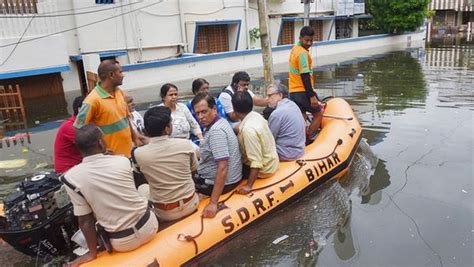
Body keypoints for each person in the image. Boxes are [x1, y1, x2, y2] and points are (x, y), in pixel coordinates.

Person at [63, 125, 158, 266]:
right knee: (144, 189)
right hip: (149, 228)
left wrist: (92, 253)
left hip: (121, 242)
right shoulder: (123, 161)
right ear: (101, 143)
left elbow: (85, 221)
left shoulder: (70, 178)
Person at [132, 106, 199, 222]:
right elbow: (193, 170)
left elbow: (140, 175)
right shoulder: (185, 144)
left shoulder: (137, 153)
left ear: (146, 130)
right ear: (167, 129)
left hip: (165, 213)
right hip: (191, 203)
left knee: (142, 188)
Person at [74, 60, 146, 158]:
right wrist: (98, 151)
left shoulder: (119, 92)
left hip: (128, 153)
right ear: (111, 75)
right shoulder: (92, 101)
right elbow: (78, 129)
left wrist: (135, 136)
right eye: (120, 72)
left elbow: (126, 118)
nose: (123, 75)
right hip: (111, 158)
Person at [191, 93, 242, 218]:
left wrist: (213, 202)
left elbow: (222, 167)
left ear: (214, 109)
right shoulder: (221, 122)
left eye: (204, 112)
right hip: (230, 178)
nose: (200, 117)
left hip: (220, 183)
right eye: (197, 113)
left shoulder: (216, 132)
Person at [231, 91, 279, 194]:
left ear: (234, 109)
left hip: (264, 169)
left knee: (228, 168)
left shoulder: (248, 131)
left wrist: (248, 186)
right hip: (271, 160)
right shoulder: (256, 115)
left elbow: (256, 162)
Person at [288, 26, 323, 143]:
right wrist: (312, 96)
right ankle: (308, 137)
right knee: (318, 113)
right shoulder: (302, 53)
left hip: (293, 91)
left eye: (311, 41)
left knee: (302, 116)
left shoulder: (295, 49)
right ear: (300, 38)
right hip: (302, 91)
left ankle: (301, 140)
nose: (309, 43)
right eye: (306, 40)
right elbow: (305, 76)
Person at [266, 83, 306, 161]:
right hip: (299, 150)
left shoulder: (276, 114)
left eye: (269, 96)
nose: (266, 99)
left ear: (280, 95)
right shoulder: (293, 105)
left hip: (286, 154)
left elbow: (269, 139)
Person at [54, 96, 84, 174]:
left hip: (79, 165)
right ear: (80, 109)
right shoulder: (70, 127)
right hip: (67, 170)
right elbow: (91, 146)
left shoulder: (83, 124)